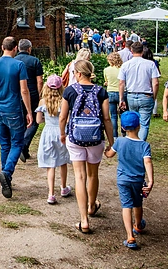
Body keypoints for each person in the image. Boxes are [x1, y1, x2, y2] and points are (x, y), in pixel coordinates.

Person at [59, 60, 114, 234]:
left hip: (75, 137)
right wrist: (112, 142)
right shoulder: (101, 92)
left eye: (75, 72)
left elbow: (62, 117)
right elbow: (106, 118)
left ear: (80, 73)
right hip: (96, 138)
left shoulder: (69, 91)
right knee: (93, 174)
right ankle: (92, 206)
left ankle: (84, 220)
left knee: (80, 177)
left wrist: (62, 133)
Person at [0, 37, 32, 199]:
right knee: (17, 142)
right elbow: (24, 90)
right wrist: (29, 111)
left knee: (4, 144)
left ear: (2, 47)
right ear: (15, 48)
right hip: (14, 110)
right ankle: (7, 173)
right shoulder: (19, 65)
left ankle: (6, 176)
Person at [104, 111, 153, 250]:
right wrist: (150, 181)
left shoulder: (119, 141)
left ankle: (130, 236)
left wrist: (106, 151)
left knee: (126, 205)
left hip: (123, 180)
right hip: (138, 180)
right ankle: (138, 225)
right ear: (139, 126)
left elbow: (110, 154)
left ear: (123, 128)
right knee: (138, 203)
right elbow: (148, 162)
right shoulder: (144, 145)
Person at [35, 75, 71, 204]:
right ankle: (63, 187)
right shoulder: (63, 101)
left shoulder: (42, 102)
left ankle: (51, 194)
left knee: (50, 164)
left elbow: (38, 120)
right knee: (62, 160)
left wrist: (46, 118)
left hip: (48, 132)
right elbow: (67, 120)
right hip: (61, 132)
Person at [118, 42, 161, 141]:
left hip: (131, 95)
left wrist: (121, 98)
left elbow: (121, 83)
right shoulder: (150, 64)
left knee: (134, 120)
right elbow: (156, 83)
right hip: (146, 95)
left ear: (131, 51)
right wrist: (153, 96)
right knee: (144, 123)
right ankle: (140, 144)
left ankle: (133, 142)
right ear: (142, 50)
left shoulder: (125, 65)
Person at [15, 39, 44, 162]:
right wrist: (40, 94)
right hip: (32, 94)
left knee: (21, 121)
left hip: (17, 94)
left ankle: (24, 150)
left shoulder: (13, 61)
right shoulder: (35, 61)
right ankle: (24, 145)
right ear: (29, 49)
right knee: (34, 121)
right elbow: (40, 81)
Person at [103, 52, 123, 138]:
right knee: (123, 114)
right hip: (121, 92)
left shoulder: (106, 70)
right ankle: (124, 132)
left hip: (110, 92)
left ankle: (115, 135)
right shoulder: (122, 69)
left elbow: (106, 81)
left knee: (113, 116)